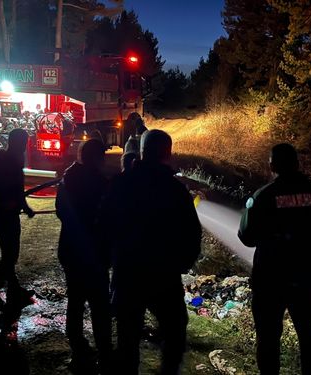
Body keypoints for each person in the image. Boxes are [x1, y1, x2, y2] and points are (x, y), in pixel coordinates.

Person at [100, 129, 202, 374]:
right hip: (164, 276)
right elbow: (192, 233)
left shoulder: (121, 184)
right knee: (175, 333)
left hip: (128, 273)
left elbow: (103, 224)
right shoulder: (175, 190)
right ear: (168, 152)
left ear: (142, 152)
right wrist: (181, 265)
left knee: (127, 338)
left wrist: (110, 260)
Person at [238, 143, 311, 375]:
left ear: (272, 165)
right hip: (307, 280)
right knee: (308, 335)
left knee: (268, 338)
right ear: (297, 163)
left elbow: (246, 236)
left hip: (270, 281)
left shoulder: (264, 196)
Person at [55, 139, 112, 373]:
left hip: (71, 250)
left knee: (76, 302)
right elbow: (110, 217)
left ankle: (79, 349)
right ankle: (105, 352)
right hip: (95, 254)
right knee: (100, 306)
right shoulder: (101, 183)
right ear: (97, 157)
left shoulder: (68, 179)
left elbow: (61, 211)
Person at [0, 128, 36, 311]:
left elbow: (18, 190)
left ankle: (14, 290)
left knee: (11, 254)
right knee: (9, 256)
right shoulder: (1, 160)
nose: (25, 146)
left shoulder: (15, 161)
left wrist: (24, 207)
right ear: (16, 142)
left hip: (9, 214)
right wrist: (4, 201)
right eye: (24, 142)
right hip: (2, 215)